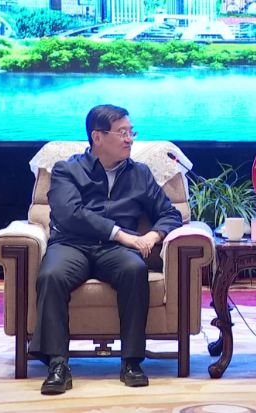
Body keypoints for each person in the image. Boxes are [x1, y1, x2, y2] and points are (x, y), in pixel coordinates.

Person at [30, 104, 182, 395]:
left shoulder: (140, 173)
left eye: (131, 132)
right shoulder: (66, 170)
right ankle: (58, 365)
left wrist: (153, 235)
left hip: (114, 252)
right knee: (51, 275)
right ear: (97, 137)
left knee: (134, 269)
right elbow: (70, 214)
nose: (129, 139)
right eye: (122, 133)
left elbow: (169, 213)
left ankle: (132, 362)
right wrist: (122, 235)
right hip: (72, 244)